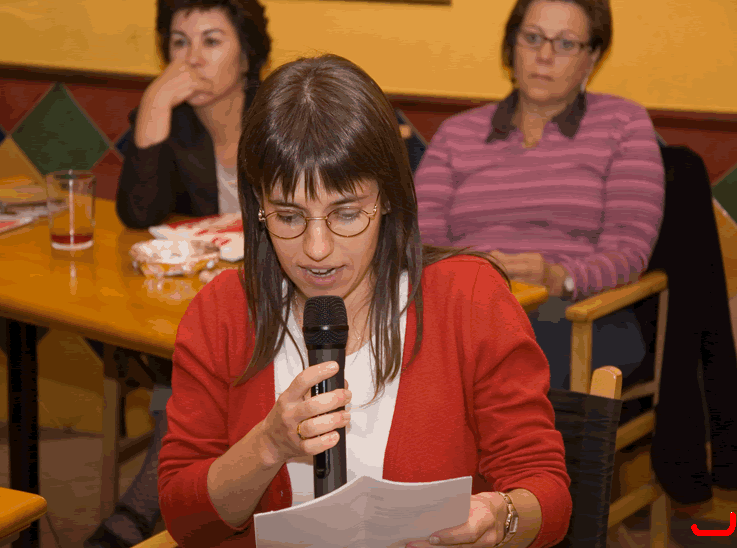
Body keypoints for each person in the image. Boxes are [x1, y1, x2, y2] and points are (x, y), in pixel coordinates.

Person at [158, 54, 572, 548]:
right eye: (288, 217)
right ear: (258, 207)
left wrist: (500, 515)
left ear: (389, 197)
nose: (317, 249)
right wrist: (266, 447)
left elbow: (547, 494)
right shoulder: (223, 311)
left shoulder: (468, 299)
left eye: (347, 214)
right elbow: (186, 522)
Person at [85, 2, 270, 547]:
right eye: (179, 42)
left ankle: (131, 520)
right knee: (193, 365)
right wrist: (153, 104)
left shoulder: (279, 113)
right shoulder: (175, 121)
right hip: (196, 308)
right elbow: (138, 214)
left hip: (277, 298)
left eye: (211, 41)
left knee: (196, 372)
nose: (191, 60)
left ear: (247, 55)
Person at [414, 0, 665, 390]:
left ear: (592, 56)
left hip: (578, 313)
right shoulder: (456, 134)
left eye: (565, 43)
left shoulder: (623, 125)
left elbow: (628, 251)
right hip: (466, 304)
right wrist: (470, 276)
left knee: (505, 353)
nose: (544, 56)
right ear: (511, 44)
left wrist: (559, 278)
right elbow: (420, 240)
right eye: (532, 38)